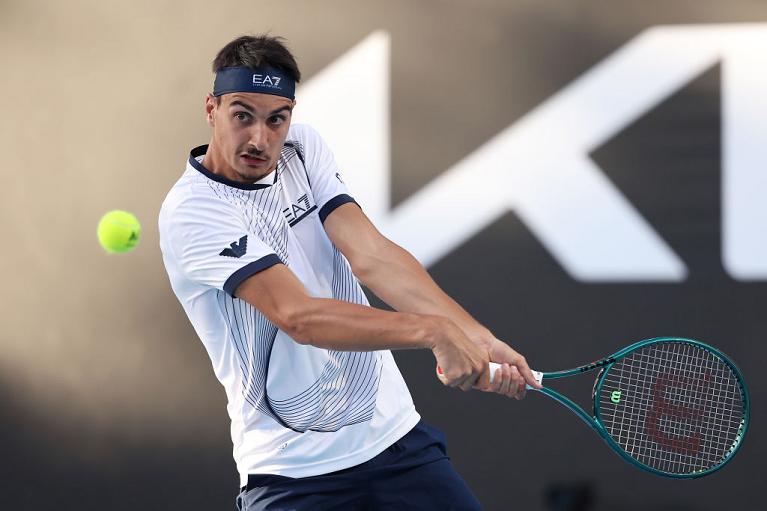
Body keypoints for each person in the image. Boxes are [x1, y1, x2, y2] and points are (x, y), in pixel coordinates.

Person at [159, 34, 541, 511]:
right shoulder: (192, 212)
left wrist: (475, 336)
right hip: (295, 477)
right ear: (211, 108)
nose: (259, 138)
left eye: (276, 119)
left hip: (399, 445)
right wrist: (435, 332)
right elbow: (300, 318)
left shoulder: (303, 149)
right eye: (242, 115)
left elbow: (371, 255)